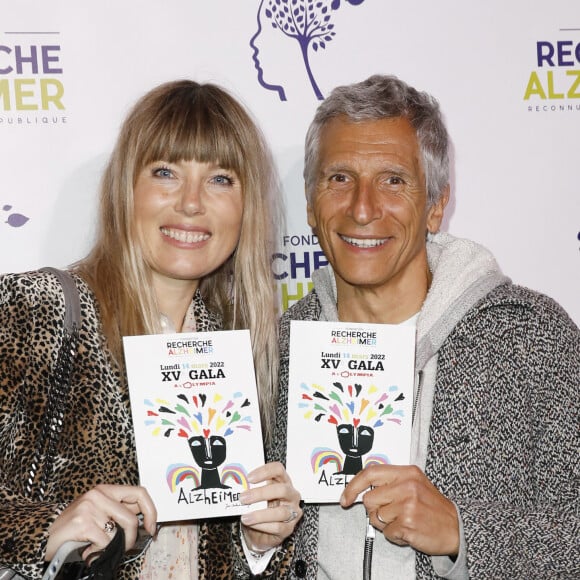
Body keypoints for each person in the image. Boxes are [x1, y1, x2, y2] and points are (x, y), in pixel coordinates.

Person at [255, 74, 579, 579]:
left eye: (393, 180)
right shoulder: (277, 349)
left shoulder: (531, 338)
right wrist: (255, 546)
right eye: (339, 178)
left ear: (435, 206)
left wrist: (460, 535)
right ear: (311, 204)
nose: (362, 208)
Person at [0, 80, 302, 579]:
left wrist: (258, 544)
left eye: (221, 179)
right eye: (166, 172)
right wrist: (48, 528)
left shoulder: (235, 352)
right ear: (126, 188)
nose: (190, 203)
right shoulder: (37, 309)